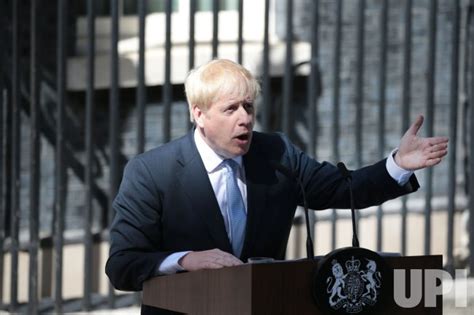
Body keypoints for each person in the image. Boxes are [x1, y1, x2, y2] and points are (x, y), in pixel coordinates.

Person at [105, 59, 448, 312]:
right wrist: (185, 260)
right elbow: (123, 265)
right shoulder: (152, 172)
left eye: (248, 107)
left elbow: (342, 188)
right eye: (230, 109)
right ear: (199, 114)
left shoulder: (276, 154)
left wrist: (397, 165)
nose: (245, 118)